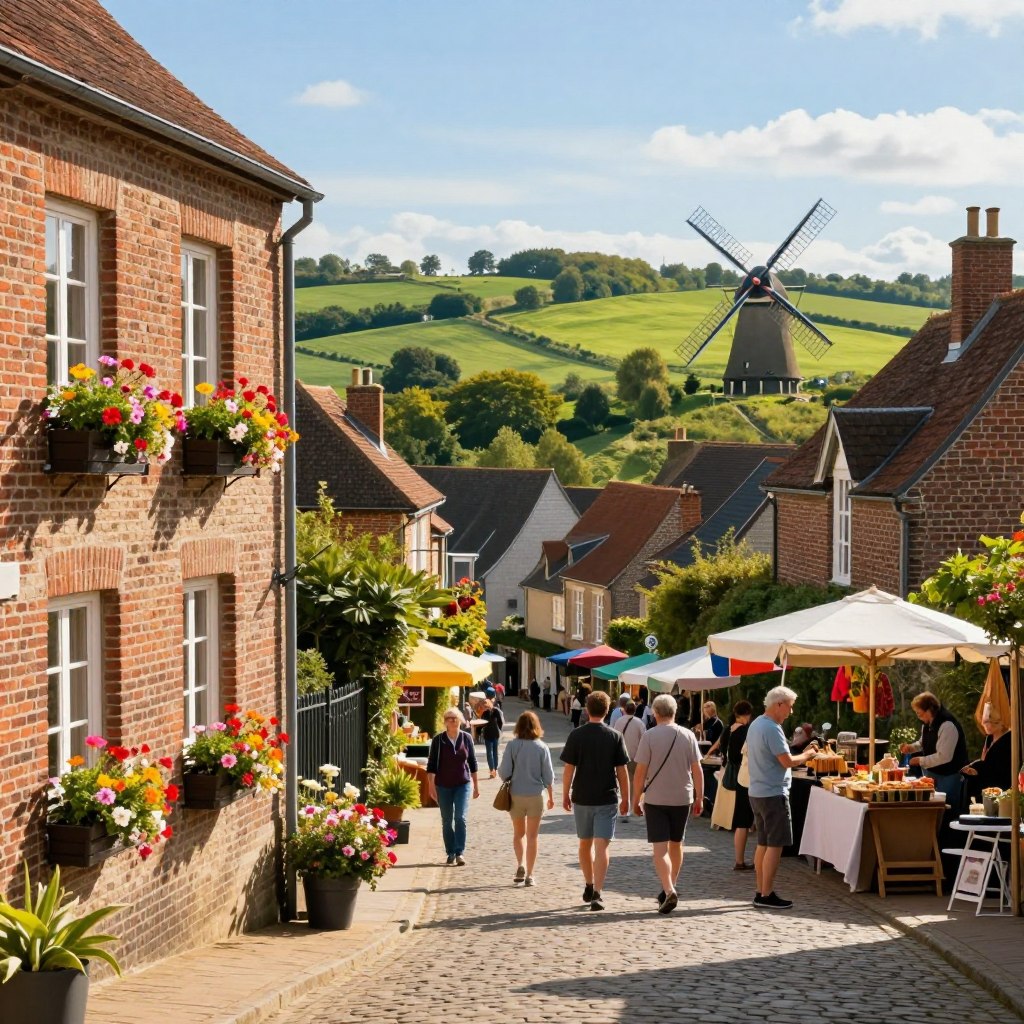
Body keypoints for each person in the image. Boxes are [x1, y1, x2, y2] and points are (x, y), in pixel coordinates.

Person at [746, 685, 820, 910]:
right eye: (789, 707)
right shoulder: (771, 727)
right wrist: (808, 754)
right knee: (775, 845)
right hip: (772, 792)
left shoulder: (756, 724)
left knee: (763, 843)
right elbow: (787, 761)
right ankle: (766, 893)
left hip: (758, 791)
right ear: (779, 704)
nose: (790, 712)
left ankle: (761, 891)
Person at [632, 694, 703, 915]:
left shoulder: (650, 736)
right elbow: (697, 770)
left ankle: (669, 888)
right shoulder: (688, 735)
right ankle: (668, 887)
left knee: (660, 849)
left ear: (655, 713)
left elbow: (640, 772)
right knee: (677, 844)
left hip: (656, 798)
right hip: (682, 797)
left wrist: (635, 799)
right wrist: (700, 797)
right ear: (675, 712)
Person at [560, 691, 630, 911]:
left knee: (584, 843)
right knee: (602, 847)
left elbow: (568, 769)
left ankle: (589, 883)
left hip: (582, 796)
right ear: (607, 710)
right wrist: (626, 798)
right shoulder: (615, 736)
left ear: (587, 709)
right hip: (607, 797)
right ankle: (598, 892)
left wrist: (565, 794)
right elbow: (622, 771)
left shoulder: (577, 735)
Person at [498, 710, 555, 887]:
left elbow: (503, 772)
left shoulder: (512, 746)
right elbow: (549, 776)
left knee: (518, 834)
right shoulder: (542, 747)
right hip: (536, 796)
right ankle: (530, 874)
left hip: (516, 794)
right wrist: (551, 797)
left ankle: (520, 864)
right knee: (532, 836)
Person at [426, 708, 480, 866]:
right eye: (448, 718)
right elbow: (431, 766)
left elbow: (473, 763)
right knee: (447, 820)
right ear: (444, 722)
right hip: (443, 785)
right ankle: (450, 852)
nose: (451, 720)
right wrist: (431, 786)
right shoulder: (438, 740)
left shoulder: (466, 738)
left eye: (454, 718)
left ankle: (459, 852)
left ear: (460, 720)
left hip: (462, 784)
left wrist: (476, 786)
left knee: (460, 818)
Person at [900, 691, 970, 804]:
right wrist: (911, 748)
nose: (918, 717)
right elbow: (923, 743)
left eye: (920, 714)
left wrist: (920, 760)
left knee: (947, 808)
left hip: (949, 776)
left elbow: (944, 756)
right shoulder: (927, 723)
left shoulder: (947, 725)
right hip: (931, 775)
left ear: (929, 710)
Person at [720, 700, 756, 871]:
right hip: (751, 779)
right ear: (748, 713)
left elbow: (725, 750)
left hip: (739, 779)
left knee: (741, 823)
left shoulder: (729, 729)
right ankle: (759, 859)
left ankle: (739, 860)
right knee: (759, 821)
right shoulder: (747, 731)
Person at [961, 701, 1012, 801]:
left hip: (999, 791)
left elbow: (1000, 769)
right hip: (985, 789)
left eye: (992, 722)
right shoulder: (990, 737)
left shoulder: (1008, 740)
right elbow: (985, 761)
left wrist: (978, 768)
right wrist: (973, 767)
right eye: (985, 722)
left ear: (1001, 722)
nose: (987, 726)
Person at [613, 700, 646, 820]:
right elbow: (644, 739)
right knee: (635, 782)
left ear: (624, 709)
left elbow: (615, 738)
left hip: (621, 757)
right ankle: (633, 805)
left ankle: (625, 805)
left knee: (623, 782)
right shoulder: (639, 722)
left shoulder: (619, 721)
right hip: (636, 756)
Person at [481, 698, 504, 779]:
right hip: (491, 735)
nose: (485, 707)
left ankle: (493, 770)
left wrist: (499, 729)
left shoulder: (492, 712)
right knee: (491, 753)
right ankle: (493, 770)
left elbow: (500, 722)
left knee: (492, 753)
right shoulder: (492, 712)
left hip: (492, 735)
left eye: (485, 705)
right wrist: (499, 729)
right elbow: (500, 722)